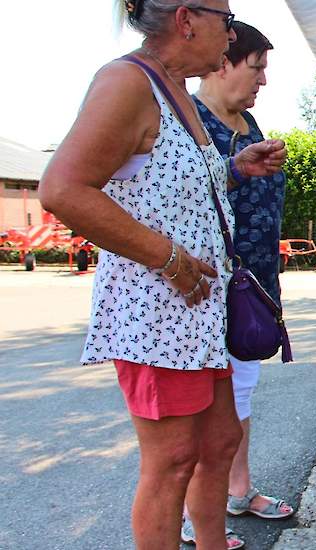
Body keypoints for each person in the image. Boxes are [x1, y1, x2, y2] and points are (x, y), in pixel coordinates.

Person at [38, 1, 286, 548]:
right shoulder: (128, 82)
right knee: (172, 462)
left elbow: (169, 184)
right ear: (186, 20)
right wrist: (166, 257)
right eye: (226, 17)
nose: (230, 31)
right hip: (156, 319)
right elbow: (62, 189)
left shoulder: (179, 94)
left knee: (219, 442)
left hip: (200, 316)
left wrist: (234, 168)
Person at [179, 20, 293, 547]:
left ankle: (237, 491)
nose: (264, 80)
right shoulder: (191, 124)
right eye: (257, 67)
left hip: (252, 289)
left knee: (240, 397)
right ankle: (194, 519)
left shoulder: (247, 122)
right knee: (205, 410)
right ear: (223, 62)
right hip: (205, 292)